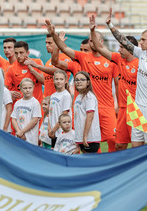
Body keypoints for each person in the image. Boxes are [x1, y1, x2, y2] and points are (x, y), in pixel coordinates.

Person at [46, 19, 119, 152]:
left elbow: (118, 85)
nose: (91, 43)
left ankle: (112, 167)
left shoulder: (112, 60)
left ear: (101, 42)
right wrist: (54, 35)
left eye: (93, 40)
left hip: (106, 107)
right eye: (90, 40)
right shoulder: (82, 59)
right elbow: (63, 49)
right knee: (88, 143)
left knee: (114, 140)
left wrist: (118, 104)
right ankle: (91, 166)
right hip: (85, 107)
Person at [104, 9, 147, 147]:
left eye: (143, 40)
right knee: (135, 147)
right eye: (140, 39)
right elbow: (123, 40)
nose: (140, 42)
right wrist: (110, 25)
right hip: (137, 108)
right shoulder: (141, 53)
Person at [88, 14, 138, 151]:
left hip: (136, 109)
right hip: (122, 109)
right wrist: (93, 31)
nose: (118, 50)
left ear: (130, 48)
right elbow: (99, 47)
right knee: (119, 144)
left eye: (121, 47)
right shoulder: (118, 59)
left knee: (137, 145)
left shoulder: (141, 64)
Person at [73, 71, 101, 153]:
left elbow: (90, 116)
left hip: (89, 138)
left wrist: (85, 136)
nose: (79, 82)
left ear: (88, 82)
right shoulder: (78, 97)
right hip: (81, 137)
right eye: (76, 80)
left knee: (92, 163)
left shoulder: (89, 96)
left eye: (82, 79)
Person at [11, 78, 42, 145]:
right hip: (19, 136)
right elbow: (13, 119)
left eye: (30, 88)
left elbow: (35, 120)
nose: (28, 90)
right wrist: (19, 132)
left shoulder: (35, 103)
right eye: (25, 88)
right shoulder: (18, 103)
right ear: (21, 89)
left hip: (30, 138)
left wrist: (22, 132)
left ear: (33, 88)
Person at [48, 70, 72, 147]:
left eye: (61, 79)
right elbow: (50, 114)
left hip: (61, 131)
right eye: (56, 79)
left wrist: (54, 129)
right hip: (53, 132)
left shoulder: (66, 95)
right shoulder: (53, 96)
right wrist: (49, 129)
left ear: (66, 81)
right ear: (53, 80)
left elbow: (64, 114)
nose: (58, 81)